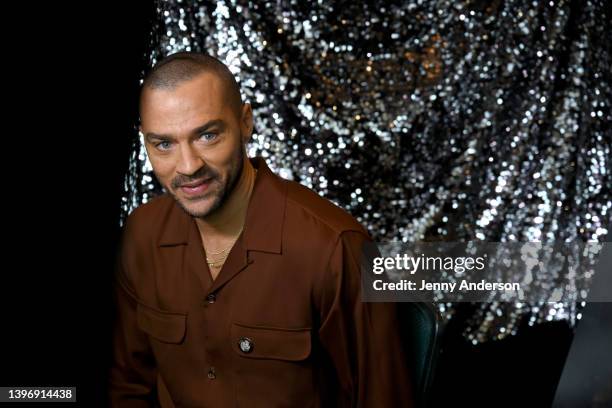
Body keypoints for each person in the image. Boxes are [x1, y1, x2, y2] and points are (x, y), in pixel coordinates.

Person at [109, 51, 414, 407]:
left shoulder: (334, 247)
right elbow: (127, 388)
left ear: (245, 122)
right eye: (164, 144)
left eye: (207, 136)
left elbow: (383, 398)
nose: (188, 166)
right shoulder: (141, 234)